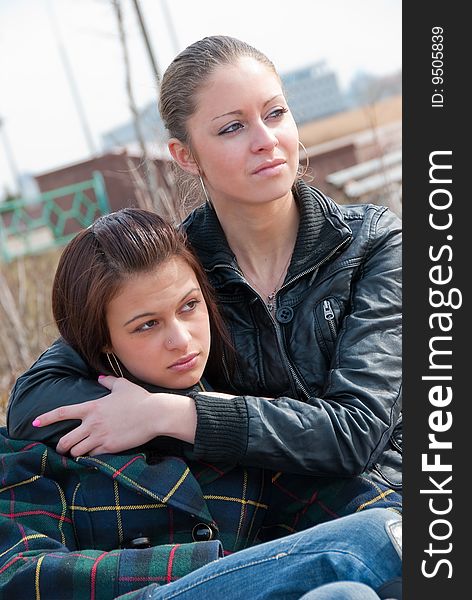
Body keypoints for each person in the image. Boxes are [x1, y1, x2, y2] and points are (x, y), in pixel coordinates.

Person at [8, 35, 402, 507]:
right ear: (185, 155)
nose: (266, 142)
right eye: (232, 128)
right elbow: (32, 402)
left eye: (275, 113)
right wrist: (138, 408)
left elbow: (356, 433)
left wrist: (172, 414)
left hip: (390, 508)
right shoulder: (171, 268)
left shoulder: (372, 243)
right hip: (257, 537)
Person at [0, 209, 401, 599]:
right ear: (102, 340)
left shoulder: (232, 418)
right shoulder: (45, 439)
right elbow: (19, 574)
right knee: (366, 542)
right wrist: (223, 564)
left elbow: (362, 505)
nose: (182, 340)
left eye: (189, 306)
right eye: (147, 325)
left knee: (352, 584)